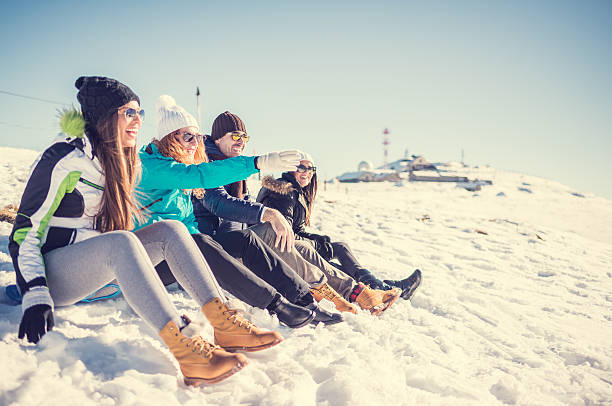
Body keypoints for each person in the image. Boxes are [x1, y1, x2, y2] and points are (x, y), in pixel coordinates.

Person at [8, 76, 281, 387]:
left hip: (105, 272)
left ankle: (224, 324)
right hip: (56, 275)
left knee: (171, 229)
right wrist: (36, 292)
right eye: (129, 113)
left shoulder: (127, 163)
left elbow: (199, 173)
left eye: (140, 113)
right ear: (104, 117)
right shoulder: (64, 160)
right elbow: (24, 233)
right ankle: (187, 351)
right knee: (121, 242)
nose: (138, 121)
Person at [137, 95, 337, 326]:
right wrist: (257, 163)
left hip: (182, 251)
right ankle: (278, 307)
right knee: (199, 243)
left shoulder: (184, 165)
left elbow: (188, 220)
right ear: (168, 138)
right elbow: (206, 181)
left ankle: (305, 300)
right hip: (149, 260)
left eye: (197, 137)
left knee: (242, 240)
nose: (195, 143)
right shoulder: (153, 166)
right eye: (187, 136)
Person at [192, 111, 402, 316]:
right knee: (275, 232)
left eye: (244, 137)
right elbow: (218, 203)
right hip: (214, 247)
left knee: (300, 246)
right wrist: (269, 214)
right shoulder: (205, 163)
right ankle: (325, 292)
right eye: (235, 136)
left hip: (239, 242)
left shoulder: (234, 168)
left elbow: (242, 206)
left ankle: (358, 293)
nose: (241, 141)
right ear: (218, 137)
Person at [256, 154, 422, 301]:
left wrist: (317, 239)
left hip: (290, 245)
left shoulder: (294, 191)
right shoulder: (283, 192)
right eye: (301, 167)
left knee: (339, 248)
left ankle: (377, 287)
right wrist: (317, 245)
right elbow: (283, 233)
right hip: (278, 250)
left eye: (311, 168)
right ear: (290, 169)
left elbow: (295, 229)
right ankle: (378, 289)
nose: (306, 172)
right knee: (331, 266)